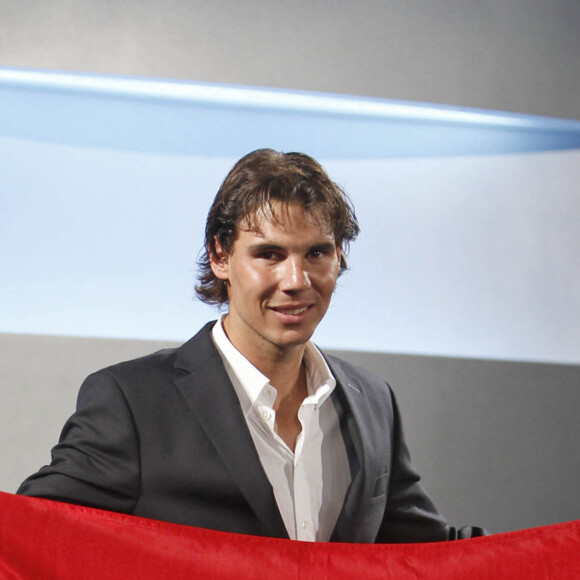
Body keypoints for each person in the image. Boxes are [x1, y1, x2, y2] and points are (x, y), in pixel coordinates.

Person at [18, 149, 484, 542]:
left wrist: (553, 554)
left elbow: (428, 553)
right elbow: (30, 537)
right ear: (220, 255)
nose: (296, 281)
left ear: (339, 257)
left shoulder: (373, 402)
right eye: (270, 255)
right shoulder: (132, 402)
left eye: (317, 253)